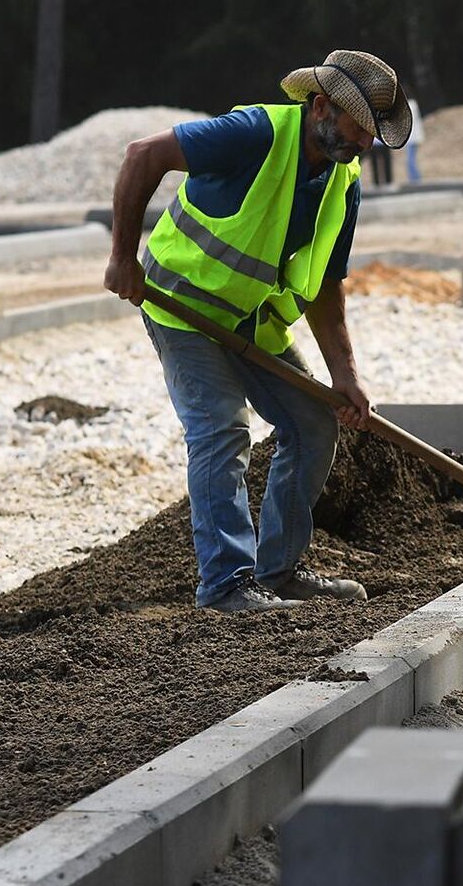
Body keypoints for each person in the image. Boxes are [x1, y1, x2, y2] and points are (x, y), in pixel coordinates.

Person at [104, 49, 412, 612]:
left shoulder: (343, 182)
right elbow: (142, 155)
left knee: (315, 423)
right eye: (359, 127)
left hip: (250, 320)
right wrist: (124, 255)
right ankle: (225, 586)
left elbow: (323, 286)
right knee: (221, 429)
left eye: (374, 132)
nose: (367, 143)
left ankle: (278, 572)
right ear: (320, 105)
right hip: (182, 306)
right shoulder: (254, 133)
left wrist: (345, 376)